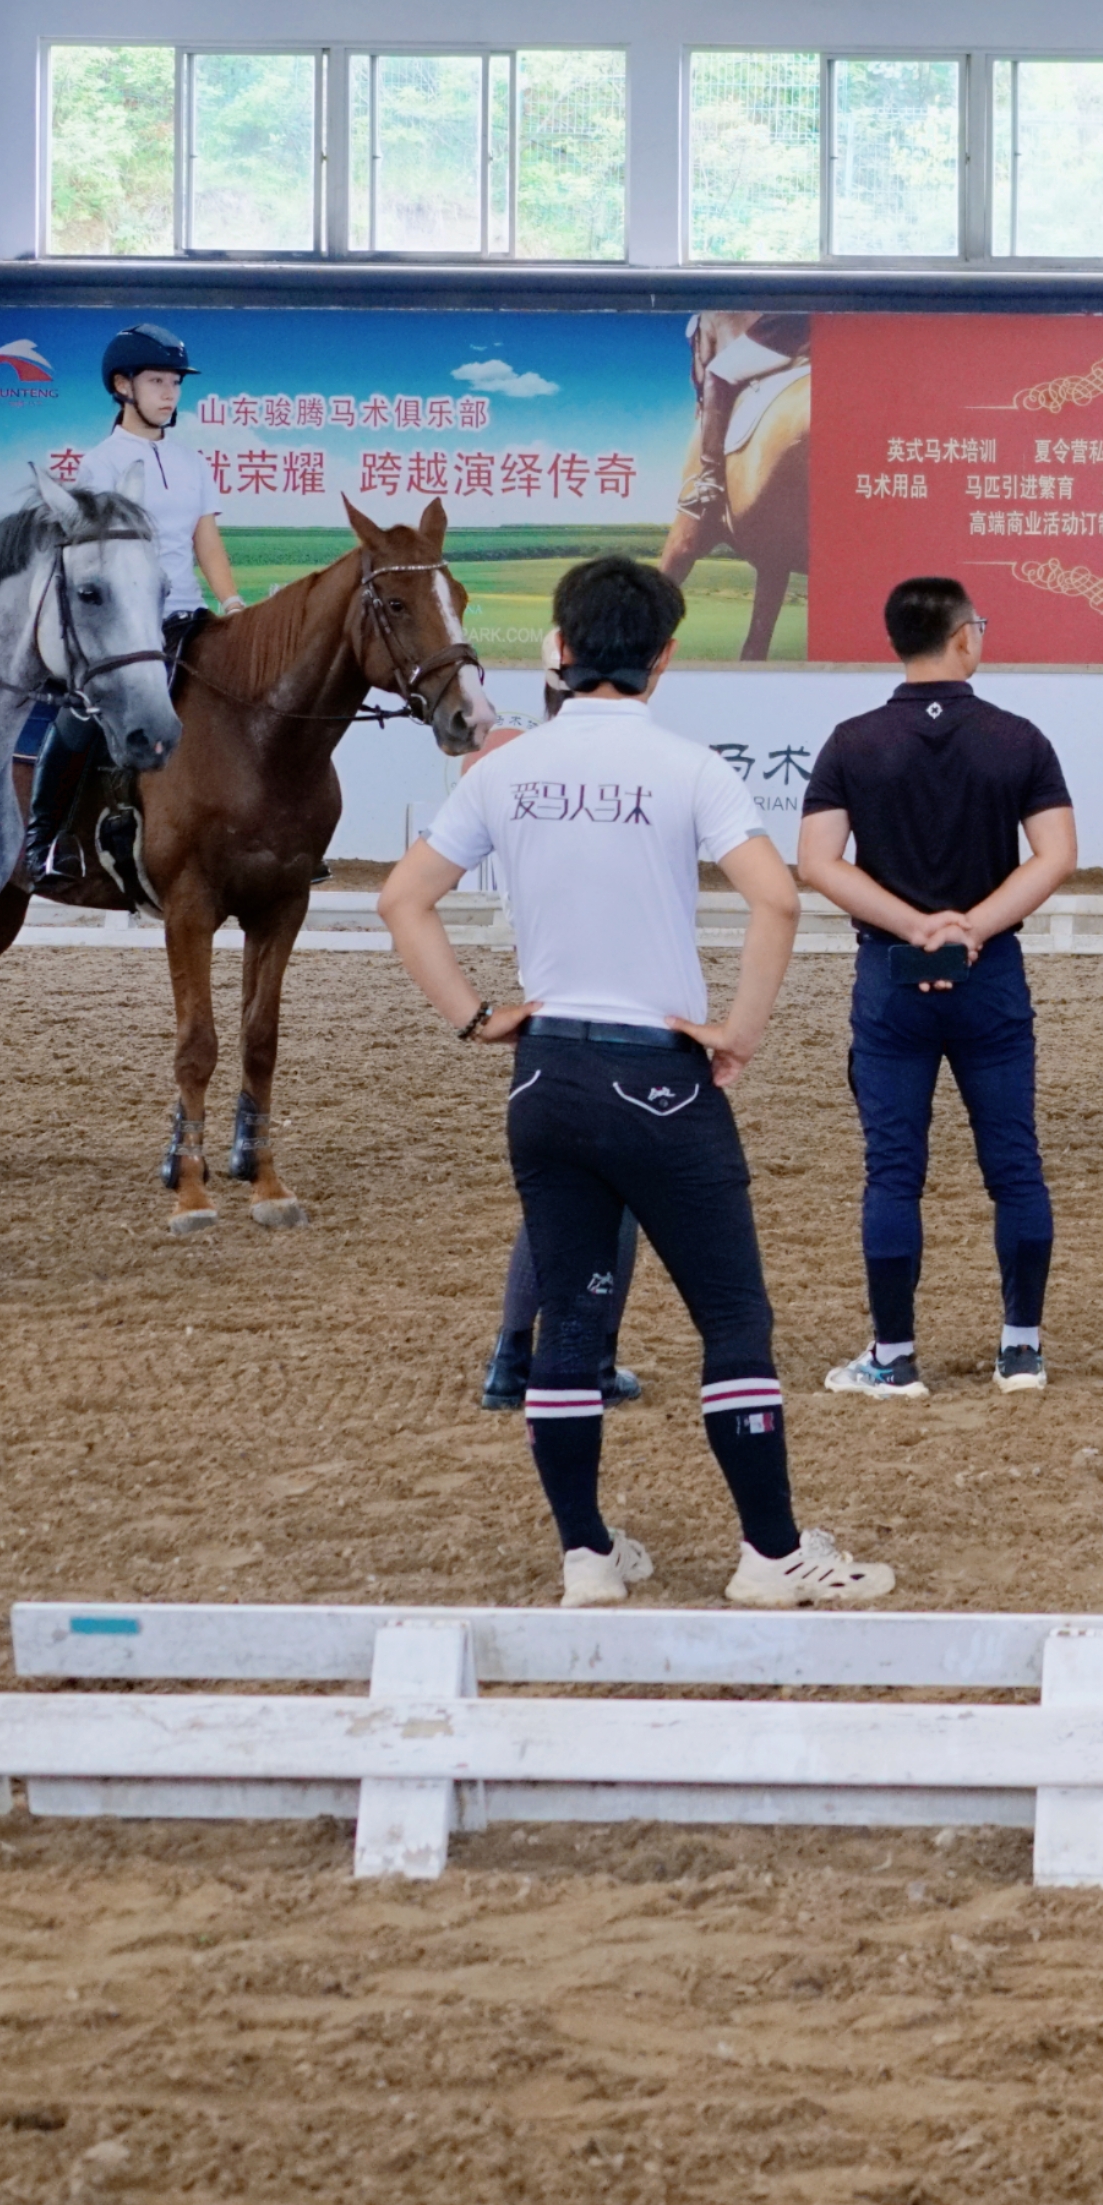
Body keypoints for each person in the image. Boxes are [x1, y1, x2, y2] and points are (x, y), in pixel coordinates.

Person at [380, 554, 887, 1610]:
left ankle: (587, 1556)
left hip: (546, 1071)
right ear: (663, 660)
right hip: (659, 1073)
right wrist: (736, 1029)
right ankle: (773, 1554)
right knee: (734, 1321)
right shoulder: (689, 767)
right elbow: (777, 901)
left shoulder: (503, 769)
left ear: (556, 652)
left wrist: (475, 1015)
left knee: (568, 1320)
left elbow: (401, 900)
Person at [794, 576, 1080, 1400]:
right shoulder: (1017, 738)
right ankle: (1020, 1348)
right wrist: (974, 925)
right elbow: (1056, 854)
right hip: (991, 977)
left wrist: (914, 925)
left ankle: (892, 1356)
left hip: (889, 975)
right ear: (964, 639)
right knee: (1015, 1167)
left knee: (893, 1173)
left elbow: (818, 862)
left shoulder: (852, 741)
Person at [30, 322, 244, 886]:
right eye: (157, 381)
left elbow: (206, 541)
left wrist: (233, 601)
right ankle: (44, 842)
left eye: (175, 382)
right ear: (122, 386)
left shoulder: (194, 463)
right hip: (128, 626)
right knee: (81, 714)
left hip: (189, 615)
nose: (170, 393)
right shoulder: (100, 466)